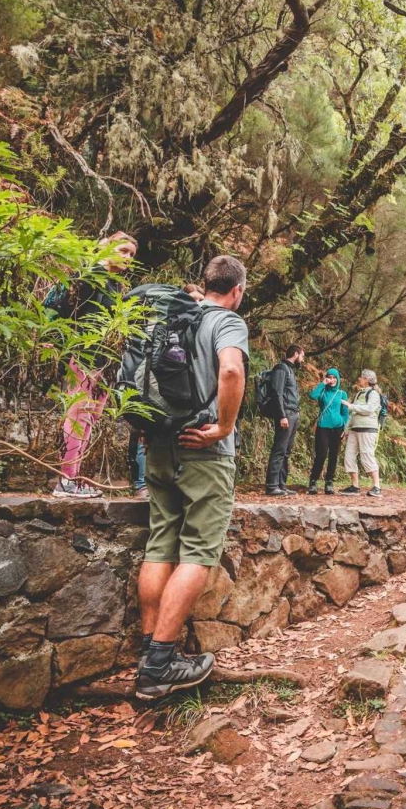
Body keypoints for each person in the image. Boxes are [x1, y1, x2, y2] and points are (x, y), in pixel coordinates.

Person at [135, 255, 249, 699]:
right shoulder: (227, 322)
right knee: (199, 551)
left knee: (161, 543)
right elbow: (231, 370)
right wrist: (222, 427)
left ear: (205, 282)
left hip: (159, 447)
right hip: (204, 451)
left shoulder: (175, 315)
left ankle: (148, 650)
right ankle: (160, 662)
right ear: (237, 290)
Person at [45, 231, 138, 498]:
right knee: (78, 415)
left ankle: (74, 477)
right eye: (122, 250)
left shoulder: (115, 285)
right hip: (84, 358)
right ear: (106, 247)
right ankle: (65, 480)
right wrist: (51, 340)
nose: (127, 258)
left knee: (90, 419)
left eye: (131, 254)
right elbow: (63, 306)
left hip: (105, 362)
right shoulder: (88, 275)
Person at [263, 344, 304, 495]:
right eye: (302, 356)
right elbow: (277, 393)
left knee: (286, 451)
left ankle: (281, 484)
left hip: (293, 414)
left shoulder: (290, 370)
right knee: (279, 449)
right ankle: (272, 485)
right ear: (295, 354)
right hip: (285, 414)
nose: (303, 359)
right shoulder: (280, 369)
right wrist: (281, 416)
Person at [340, 370, 384, 497]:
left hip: (367, 429)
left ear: (367, 379)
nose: (359, 378)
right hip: (354, 429)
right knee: (349, 456)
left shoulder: (374, 394)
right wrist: (346, 429)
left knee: (367, 456)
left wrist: (350, 406)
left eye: (361, 377)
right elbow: (352, 414)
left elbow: (369, 409)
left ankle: (377, 487)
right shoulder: (359, 393)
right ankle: (355, 486)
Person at [306, 368, 348, 494]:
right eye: (330, 377)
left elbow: (345, 413)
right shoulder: (323, 392)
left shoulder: (342, 394)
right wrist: (323, 383)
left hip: (337, 428)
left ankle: (329, 482)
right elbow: (312, 395)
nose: (332, 380)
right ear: (327, 378)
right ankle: (313, 481)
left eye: (335, 377)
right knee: (321, 454)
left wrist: (345, 428)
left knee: (334, 455)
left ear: (338, 379)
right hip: (323, 427)